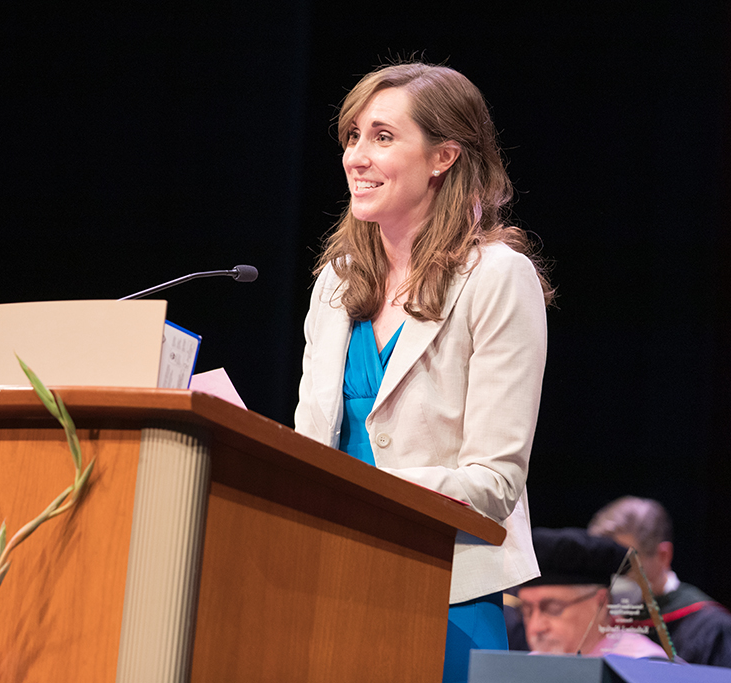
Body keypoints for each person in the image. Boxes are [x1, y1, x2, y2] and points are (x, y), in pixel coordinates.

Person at [294, 61, 552, 683]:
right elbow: (310, 447)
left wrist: (370, 495)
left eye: (383, 137)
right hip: (328, 582)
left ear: (444, 156)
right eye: (353, 136)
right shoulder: (336, 283)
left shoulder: (496, 277)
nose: (357, 155)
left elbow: (493, 481)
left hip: (447, 589)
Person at [589, 496, 731, 667]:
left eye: (625, 565)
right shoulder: (601, 621)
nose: (614, 577)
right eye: (604, 566)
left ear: (663, 556)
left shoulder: (711, 629)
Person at [517, 527, 669, 658]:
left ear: (601, 604)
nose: (535, 627)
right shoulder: (524, 670)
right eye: (527, 611)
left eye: (553, 608)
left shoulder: (644, 668)